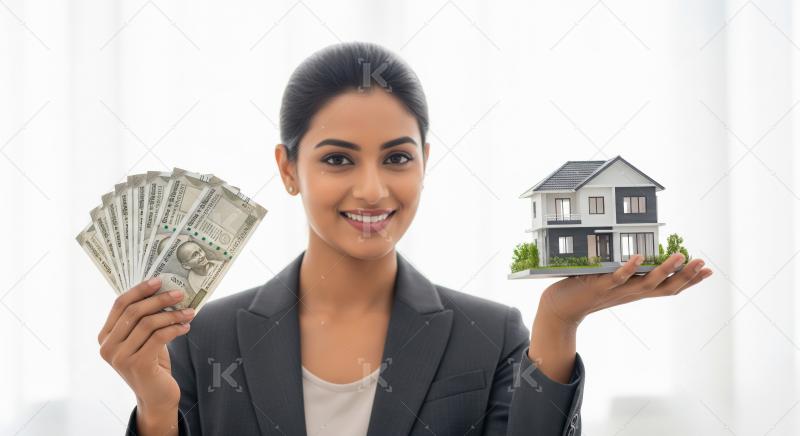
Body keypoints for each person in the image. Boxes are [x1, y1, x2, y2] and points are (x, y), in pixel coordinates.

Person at [96, 41, 713, 436]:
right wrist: (155, 410)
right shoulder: (202, 336)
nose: (372, 190)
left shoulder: (493, 335)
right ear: (289, 169)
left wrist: (557, 322)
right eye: (338, 160)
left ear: (424, 161)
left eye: (396, 158)